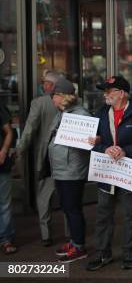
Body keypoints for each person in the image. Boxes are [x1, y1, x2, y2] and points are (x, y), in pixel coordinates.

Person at [86, 76, 132, 271]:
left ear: (123, 93)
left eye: (110, 90)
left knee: (130, 214)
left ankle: (129, 251)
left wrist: (128, 150)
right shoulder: (100, 114)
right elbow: (90, 142)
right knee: (103, 214)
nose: (105, 94)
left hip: (129, 173)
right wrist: (104, 148)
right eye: (105, 91)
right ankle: (102, 253)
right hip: (106, 172)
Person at [16, 70, 68, 246]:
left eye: (46, 82)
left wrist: (20, 149)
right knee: (67, 197)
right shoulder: (74, 102)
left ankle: (46, 235)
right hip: (68, 159)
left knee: (44, 197)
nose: (43, 85)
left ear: (52, 86)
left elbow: (29, 130)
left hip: (46, 158)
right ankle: (71, 233)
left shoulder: (38, 103)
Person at [46, 78, 91, 263]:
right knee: (67, 207)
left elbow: (86, 142)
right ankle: (73, 241)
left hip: (72, 170)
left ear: (63, 96)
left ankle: (79, 247)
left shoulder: (81, 115)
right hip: (62, 169)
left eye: (54, 95)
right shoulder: (63, 113)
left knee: (73, 208)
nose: (52, 99)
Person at [0, 101, 16, 255]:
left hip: (0, 163)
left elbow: (9, 131)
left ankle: (6, 239)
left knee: (4, 204)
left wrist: (4, 150)